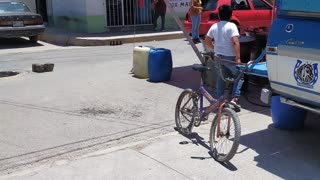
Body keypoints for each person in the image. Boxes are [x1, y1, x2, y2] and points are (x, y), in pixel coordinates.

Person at [204, 5, 243, 109]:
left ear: (219, 15)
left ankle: (219, 102)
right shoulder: (232, 26)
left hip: (218, 58)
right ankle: (234, 99)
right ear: (231, 15)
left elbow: (207, 41)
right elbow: (235, 42)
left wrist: (215, 48)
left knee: (221, 78)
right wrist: (238, 58)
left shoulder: (214, 26)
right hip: (229, 58)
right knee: (240, 75)